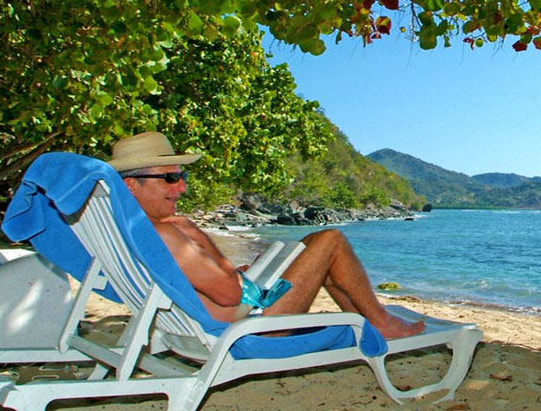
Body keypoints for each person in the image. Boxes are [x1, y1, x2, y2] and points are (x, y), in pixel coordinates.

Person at [107, 131, 425, 339]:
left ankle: (371, 322)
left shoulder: (131, 231)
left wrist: (242, 273)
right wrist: (206, 244)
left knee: (312, 246)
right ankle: (380, 323)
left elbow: (212, 286)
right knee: (330, 241)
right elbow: (233, 295)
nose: (183, 186)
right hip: (248, 328)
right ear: (131, 185)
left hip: (225, 318)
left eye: (182, 175)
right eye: (170, 177)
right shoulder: (164, 235)